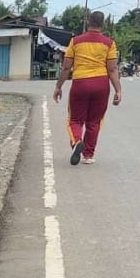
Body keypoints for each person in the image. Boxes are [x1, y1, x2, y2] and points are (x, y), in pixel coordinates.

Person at [52, 11, 123, 165]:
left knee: (75, 119)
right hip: (101, 85)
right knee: (94, 122)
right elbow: (112, 69)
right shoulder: (109, 43)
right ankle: (88, 155)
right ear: (103, 25)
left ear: (87, 22)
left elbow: (66, 68)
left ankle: (77, 141)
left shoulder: (75, 41)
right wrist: (118, 90)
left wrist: (58, 87)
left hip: (80, 84)